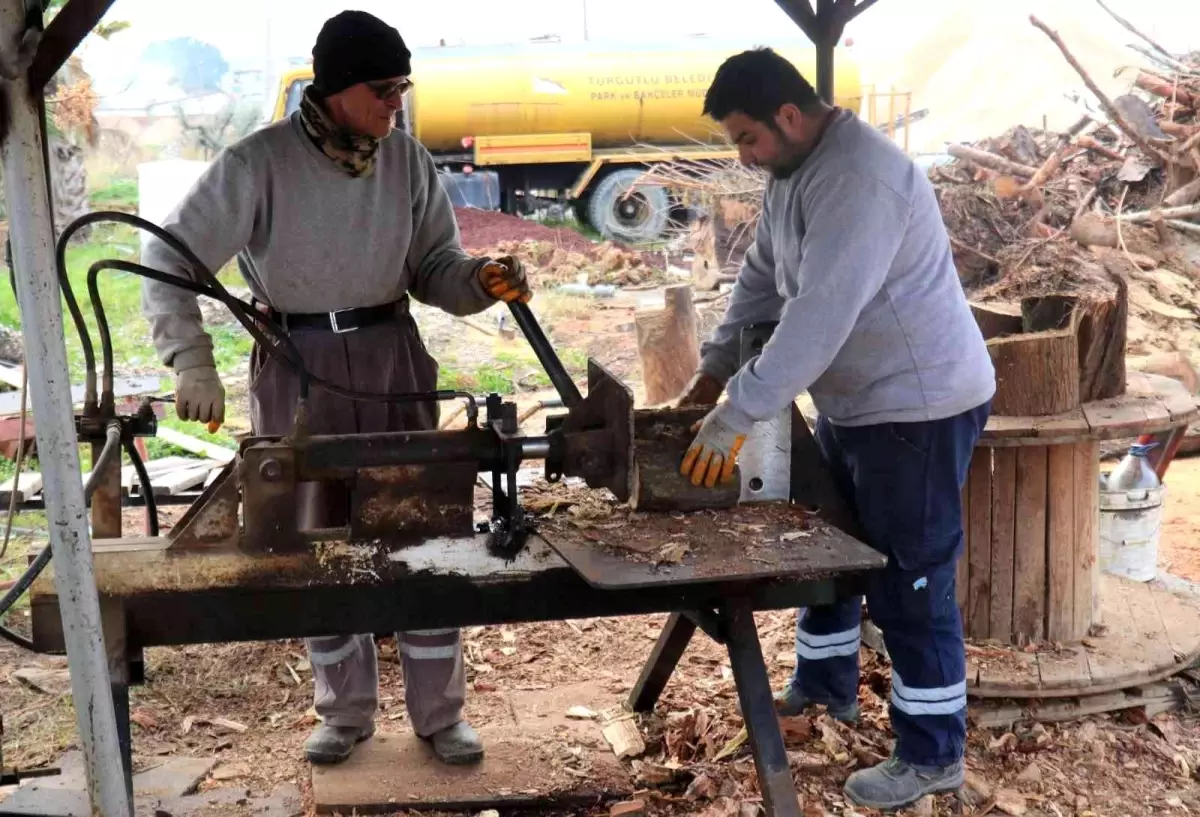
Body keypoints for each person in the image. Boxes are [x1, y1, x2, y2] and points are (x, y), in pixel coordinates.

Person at [140, 11, 531, 767]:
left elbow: (435, 270)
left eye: (401, 89)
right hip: (298, 367)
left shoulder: (407, 161)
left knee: (420, 532)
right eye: (384, 90)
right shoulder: (259, 163)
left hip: (392, 361)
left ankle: (439, 714)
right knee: (317, 543)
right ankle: (344, 710)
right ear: (338, 87)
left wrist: (479, 280)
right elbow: (167, 259)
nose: (396, 105)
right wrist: (191, 362)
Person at [676, 48, 995, 811]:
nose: (745, 157)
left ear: (789, 116)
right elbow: (759, 279)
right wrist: (713, 370)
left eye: (747, 138)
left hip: (917, 405)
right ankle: (825, 683)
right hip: (858, 402)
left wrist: (735, 417)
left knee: (909, 578)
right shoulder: (792, 176)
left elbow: (816, 320)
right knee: (830, 540)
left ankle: (931, 753)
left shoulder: (859, 178)